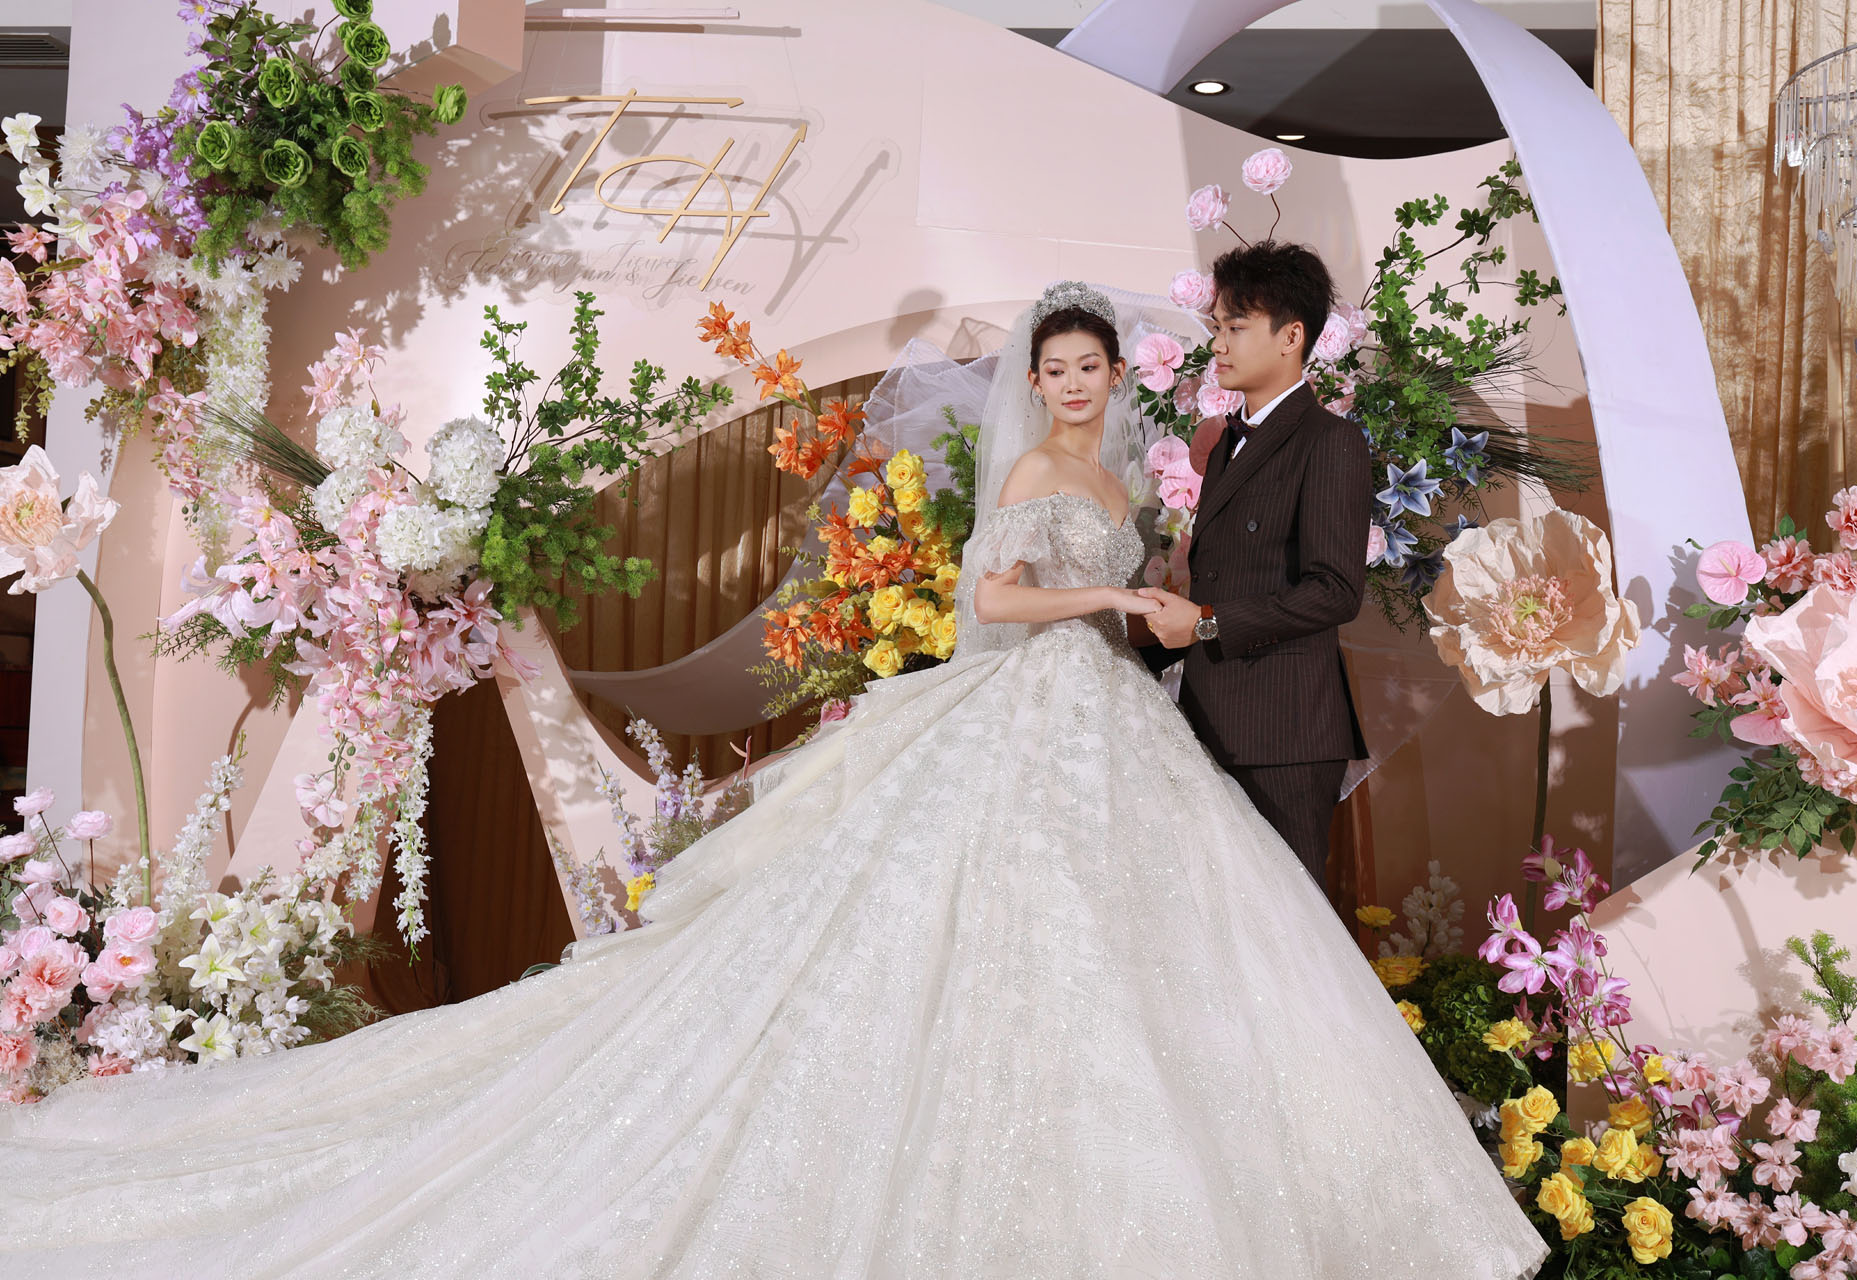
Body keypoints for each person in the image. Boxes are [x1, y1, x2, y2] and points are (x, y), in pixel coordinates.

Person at [0, 283, 1545, 1280]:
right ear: (1035, 378)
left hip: (1119, 713)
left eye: (1091, 369)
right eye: (1059, 368)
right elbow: (995, 602)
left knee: (1138, 944)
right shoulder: (1028, 473)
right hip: (1038, 700)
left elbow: (1148, 595)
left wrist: (1151, 615)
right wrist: (1116, 600)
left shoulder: (1126, 473)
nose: (1077, 386)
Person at [1136, 241, 1372, 893]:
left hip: (1284, 734)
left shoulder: (1331, 442)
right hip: (1209, 721)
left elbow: (1336, 591)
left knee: (1292, 926)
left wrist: (1204, 623)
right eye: (1217, 326)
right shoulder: (1222, 443)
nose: (1217, 344)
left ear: (1292, 336)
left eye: (1236, 327)